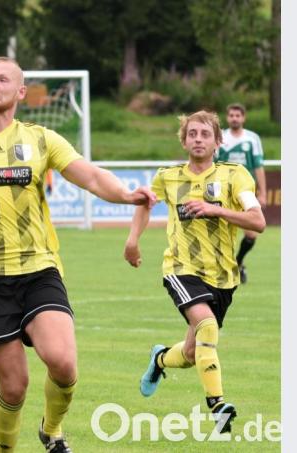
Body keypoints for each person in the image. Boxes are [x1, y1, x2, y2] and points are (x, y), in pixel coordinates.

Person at [0, 56, 155, 453]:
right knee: (14, 387)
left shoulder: (41, 138)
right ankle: (5, 448)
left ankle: (52, 428)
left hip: (39, 268)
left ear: (21, 92)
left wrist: (125, 194)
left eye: (2, 79)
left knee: (62, 363)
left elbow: (91, 175)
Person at [125, 111, 265, 434]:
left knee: (191, 353)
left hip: (223, 277)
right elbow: (146, 204)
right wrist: (133, 240)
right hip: (180, 268)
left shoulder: (235, 176)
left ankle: (160, 359)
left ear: (218, 142)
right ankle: (217, 405)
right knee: (206, 324)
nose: (198, 139)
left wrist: (215, 209)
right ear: (184, 140)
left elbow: (257, 220)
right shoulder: (169, 176)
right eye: (192, 134)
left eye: (204, 134)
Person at [214, 103, 266, 284]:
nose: (235, 118)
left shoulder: (252, 139)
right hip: (223, 192)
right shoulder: (221, 138)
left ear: (243, 118)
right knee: (219, 234)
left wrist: (263, 193)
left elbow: (258, 167)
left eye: (238, 115)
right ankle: (220, 270)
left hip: (245, 192)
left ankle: (238, 262)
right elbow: (212, 164)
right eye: (231, 115)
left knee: (251, 235)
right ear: (227, 118)